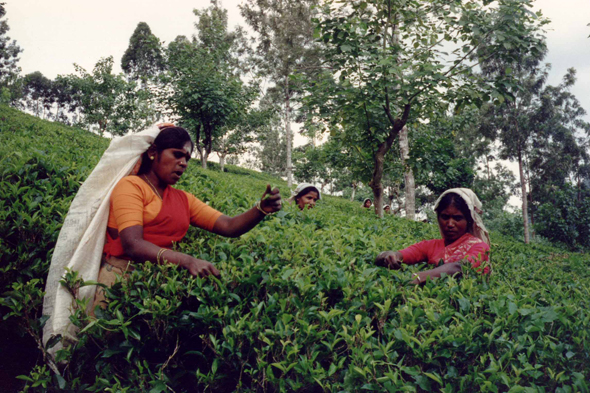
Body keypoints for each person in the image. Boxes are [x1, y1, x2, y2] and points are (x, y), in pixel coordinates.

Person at [94, 125, 282, 308]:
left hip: (156, 285)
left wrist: (261, 209)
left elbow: (229, 226)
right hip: (118, 281)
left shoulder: (183, 199)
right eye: (177, 154)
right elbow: (133, 244)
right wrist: (186, 261)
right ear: (153, 152)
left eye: (187, 158)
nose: (183, 163)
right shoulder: (131, 186)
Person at [375, 188, 490, 284]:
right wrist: (389, 255)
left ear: (469, 220)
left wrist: (420, 277)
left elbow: (459, 267)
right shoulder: (431, 245)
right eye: (445, 217)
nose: (450, 224)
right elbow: (401, 254)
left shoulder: (479, 247)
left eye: (457, 218)